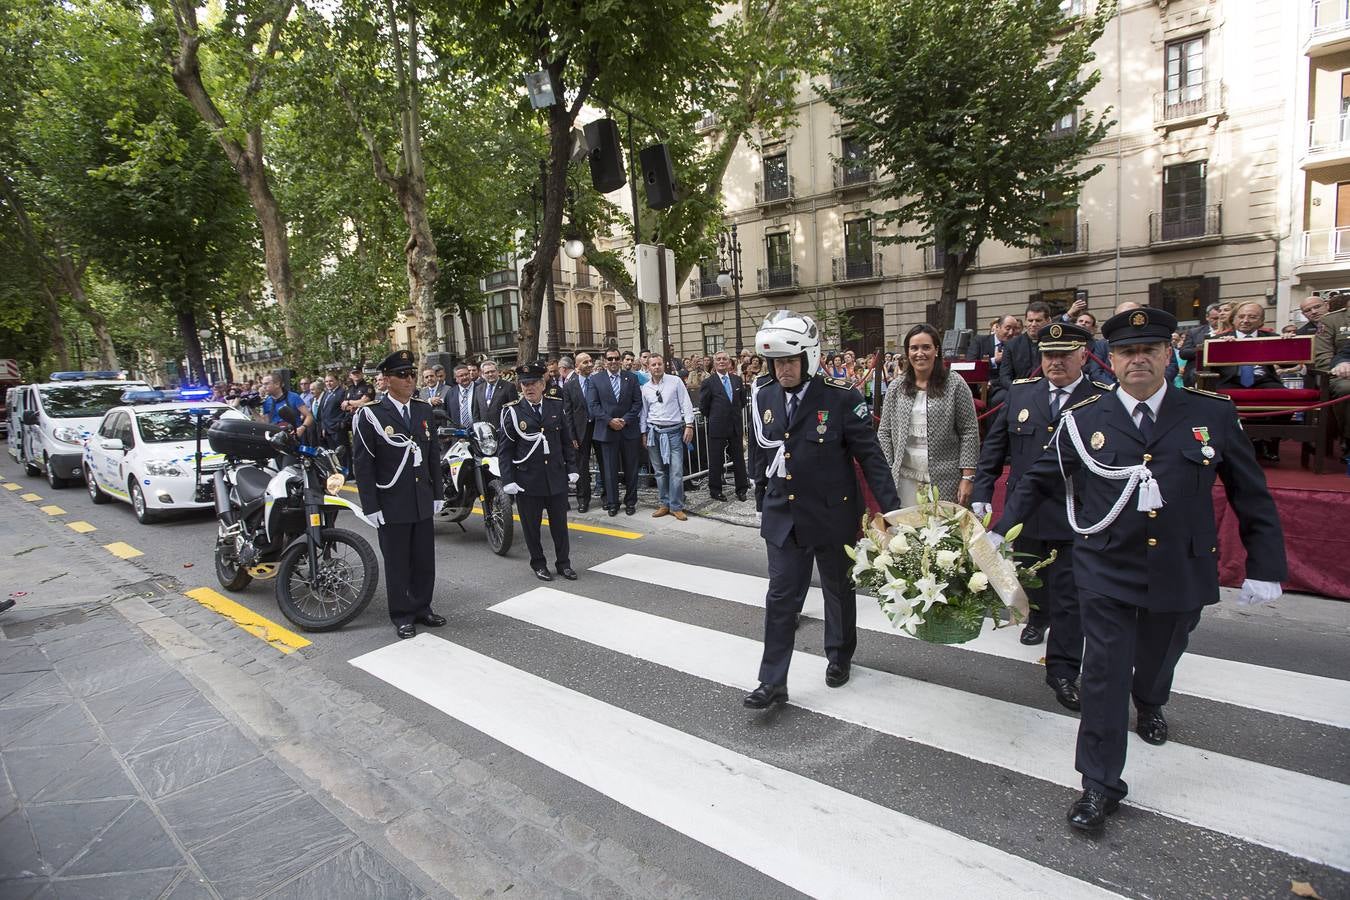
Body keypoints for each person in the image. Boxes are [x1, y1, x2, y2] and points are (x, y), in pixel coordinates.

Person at [991, 307, 1286, 835]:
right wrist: (999, 530)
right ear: (1112, 359)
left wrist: (1265, 564)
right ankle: (1099, 784)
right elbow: (1036, 478)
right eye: (1128, 351)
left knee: (1158, 656)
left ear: (1168, 354)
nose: (1139, 360)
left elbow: (1251, 493)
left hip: (1181, 568)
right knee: (1103, 673)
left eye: (1150, 349)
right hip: (1106, 566)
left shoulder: (1210, 414)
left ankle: (1150, 700)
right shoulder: (1085, 417)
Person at [743, 311, 902, 709]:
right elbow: (759, 452)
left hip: (832, 515)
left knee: (837, 590)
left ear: (809, 358)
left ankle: (839, 655)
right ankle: (772, 681)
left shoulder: (841, 396)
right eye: (776, 362)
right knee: (780, 598)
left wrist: (894, 512)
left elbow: (872, 458)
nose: (782, 370)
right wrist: (761, 492)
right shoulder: (762, 395)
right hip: (784, 518)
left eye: (789, 361)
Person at [972, 323, 1111, 710]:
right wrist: (983, 490)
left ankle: (1064, 671)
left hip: (1076, 513)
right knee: (1030, 577)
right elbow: (995, 446)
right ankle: (1037, 616)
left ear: (1084, 355)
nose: (1056, 362)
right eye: (1049, 355)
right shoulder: (1021, 393)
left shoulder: (1101, 398)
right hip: (1025, 511)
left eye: (1065, 355)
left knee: (1071, 595)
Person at [351, 350, 445, 639]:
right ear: (387, 380)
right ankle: (402, 614)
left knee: (423, 558)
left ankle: (422, 607)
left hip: (420, 497)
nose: (409, 379)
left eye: (411, 374)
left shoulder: (422, 409)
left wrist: (437, 492)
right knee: (397, 560)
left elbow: (432, 455)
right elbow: (364, 464)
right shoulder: (372, 415)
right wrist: (370, 505)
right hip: (391, 499)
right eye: (402, 375)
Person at [876, 324, 980, 509]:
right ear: (907, 352)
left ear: (936, 350)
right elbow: (884, 432)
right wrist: (889, 469)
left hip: (946, 480)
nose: (920, 353)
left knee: (942, 534)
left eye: (926, 347)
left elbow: (969, 432)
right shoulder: (896, 387)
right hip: (905, 480)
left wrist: (967, 477)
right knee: (907, 533)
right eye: (914, 348)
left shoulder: (955, 384)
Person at [498, 363, 579, 581]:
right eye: (524, 384)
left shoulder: (555, 405)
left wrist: (572, 468)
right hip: (528, 479)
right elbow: (505, 450)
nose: (528, 388)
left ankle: (564, 563)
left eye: (532, 383)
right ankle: (539, 563)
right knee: (531, 527)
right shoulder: (513, 411)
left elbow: (565, 442)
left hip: (555, 476)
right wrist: (508, 480)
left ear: (543, 384)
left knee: (560, 526)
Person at [1207, 301, 1284, 461]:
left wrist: (1289, 343)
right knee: (1215, 400)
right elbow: (1206, 367)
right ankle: (1226, 445)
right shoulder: (1218, 340)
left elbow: (1289, 363)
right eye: (1241, 316)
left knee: (1283, 395)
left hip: (1263, 380)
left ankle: (1270, 442)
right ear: (1233, 319)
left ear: (1261, 321)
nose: (1246, 320)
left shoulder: (1273, 338)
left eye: (1252, 317)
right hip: (1231, 380)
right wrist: (1223, 349)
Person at [636, 354, 694, 520]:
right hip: (654, 432)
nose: (656, 367)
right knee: (660, 471)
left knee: (675, 471)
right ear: (648, 367)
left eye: (659, 364)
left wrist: (689, 425)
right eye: (653, 364)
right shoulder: (646, 388)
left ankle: (676, 506)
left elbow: (686, 403)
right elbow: (644, 413)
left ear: (664, 365)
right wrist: (643, 433)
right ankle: (664, 504)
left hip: (674, 432)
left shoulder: (675, 381)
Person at [587, 348, 643, 516]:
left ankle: (631, 501)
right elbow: (593, 405)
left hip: (628, 430)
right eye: (610, 359)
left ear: (620, 360)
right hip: (606, 431)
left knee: (631, 469)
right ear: (605, 361)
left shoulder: (631, 378)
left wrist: (624, 420)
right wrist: (609, 421)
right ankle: (612, 503)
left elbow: (637, 403)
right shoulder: (595, 380)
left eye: (616, 358)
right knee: (609, 471)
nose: (613, 361)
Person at [699, 351, 749, 502]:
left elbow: (742, 402)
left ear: (729, 362)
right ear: (714, 363)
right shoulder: (709, 382)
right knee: (716, 460)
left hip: (735, 426)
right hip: (717, 426)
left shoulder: (737, 380)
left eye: (724, 359)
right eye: (718, 359)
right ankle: (715, 490)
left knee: (739, 459)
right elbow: (704, 407)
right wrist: (717, 416)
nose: (721, 361)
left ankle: (742, 489)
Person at [562, 353, 597, 512]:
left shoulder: (598, 381)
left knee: (605, 464)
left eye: (591, 361)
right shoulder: (569, 386)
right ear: (577, 366)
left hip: (599, 428)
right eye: (585, 362)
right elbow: (568, 413)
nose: (589, 364)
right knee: (581, 467)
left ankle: (608, 499)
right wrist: (572, 436)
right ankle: (583, 500)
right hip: (580, 431)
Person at [1314, 303, 1350, 456]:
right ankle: (1348, 440)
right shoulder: (1332, 320)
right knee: (1346, 388)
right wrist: (1341, 367)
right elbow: (1325, 358)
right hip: (1338, 374)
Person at [256, 373, 315, 444]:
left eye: (266, 384)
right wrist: (252, 409)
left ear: (277, 384)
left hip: (294, 439)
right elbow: (265, 423)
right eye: (263, 384)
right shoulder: (267, 401)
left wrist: (302, 428)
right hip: (275, 440)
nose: (263, 387)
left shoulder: (293, 397)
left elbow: (309, 416)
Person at [473, 360, 519, 434]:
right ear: (482, 374)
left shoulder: (509, 387)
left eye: (492, 371)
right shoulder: (478, 389)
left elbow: (514, 411)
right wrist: (478, 429)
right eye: (487, 372)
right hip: (485, 434)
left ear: (498, 372)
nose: (490, 374)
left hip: (504, 432)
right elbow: (476, 413)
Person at [314, 372, 347, 456]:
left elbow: (346, 410)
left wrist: (341, 424)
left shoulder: (342, 392)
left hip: (337, 429)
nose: (328, 383)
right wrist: (324, 427)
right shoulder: (326, 393)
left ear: (337, 381)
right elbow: (323, 411)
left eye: (331, 381)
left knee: (342, 455)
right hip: (327, 430)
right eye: (326, 381)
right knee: (332, 455)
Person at [446, 364, 476, 429]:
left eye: (466, 374)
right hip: (458, 433)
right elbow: (448, 413)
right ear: (456, 378)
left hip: (478, 432)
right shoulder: (451, 392)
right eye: (461, 376)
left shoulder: (479, 388)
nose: (465, 377)